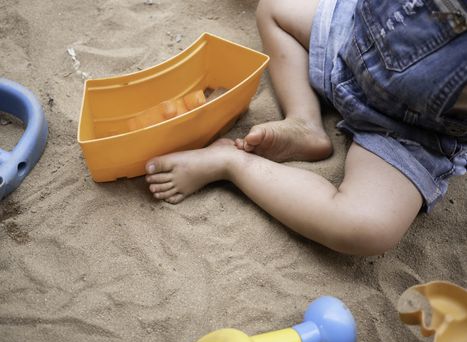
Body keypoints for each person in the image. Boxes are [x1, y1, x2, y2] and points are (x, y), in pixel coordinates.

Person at [145, 0, 467, 256]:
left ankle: (233, 164)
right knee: (273, 8)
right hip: (352, 40)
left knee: (364, 227)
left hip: (409, 129)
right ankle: (304, 121)